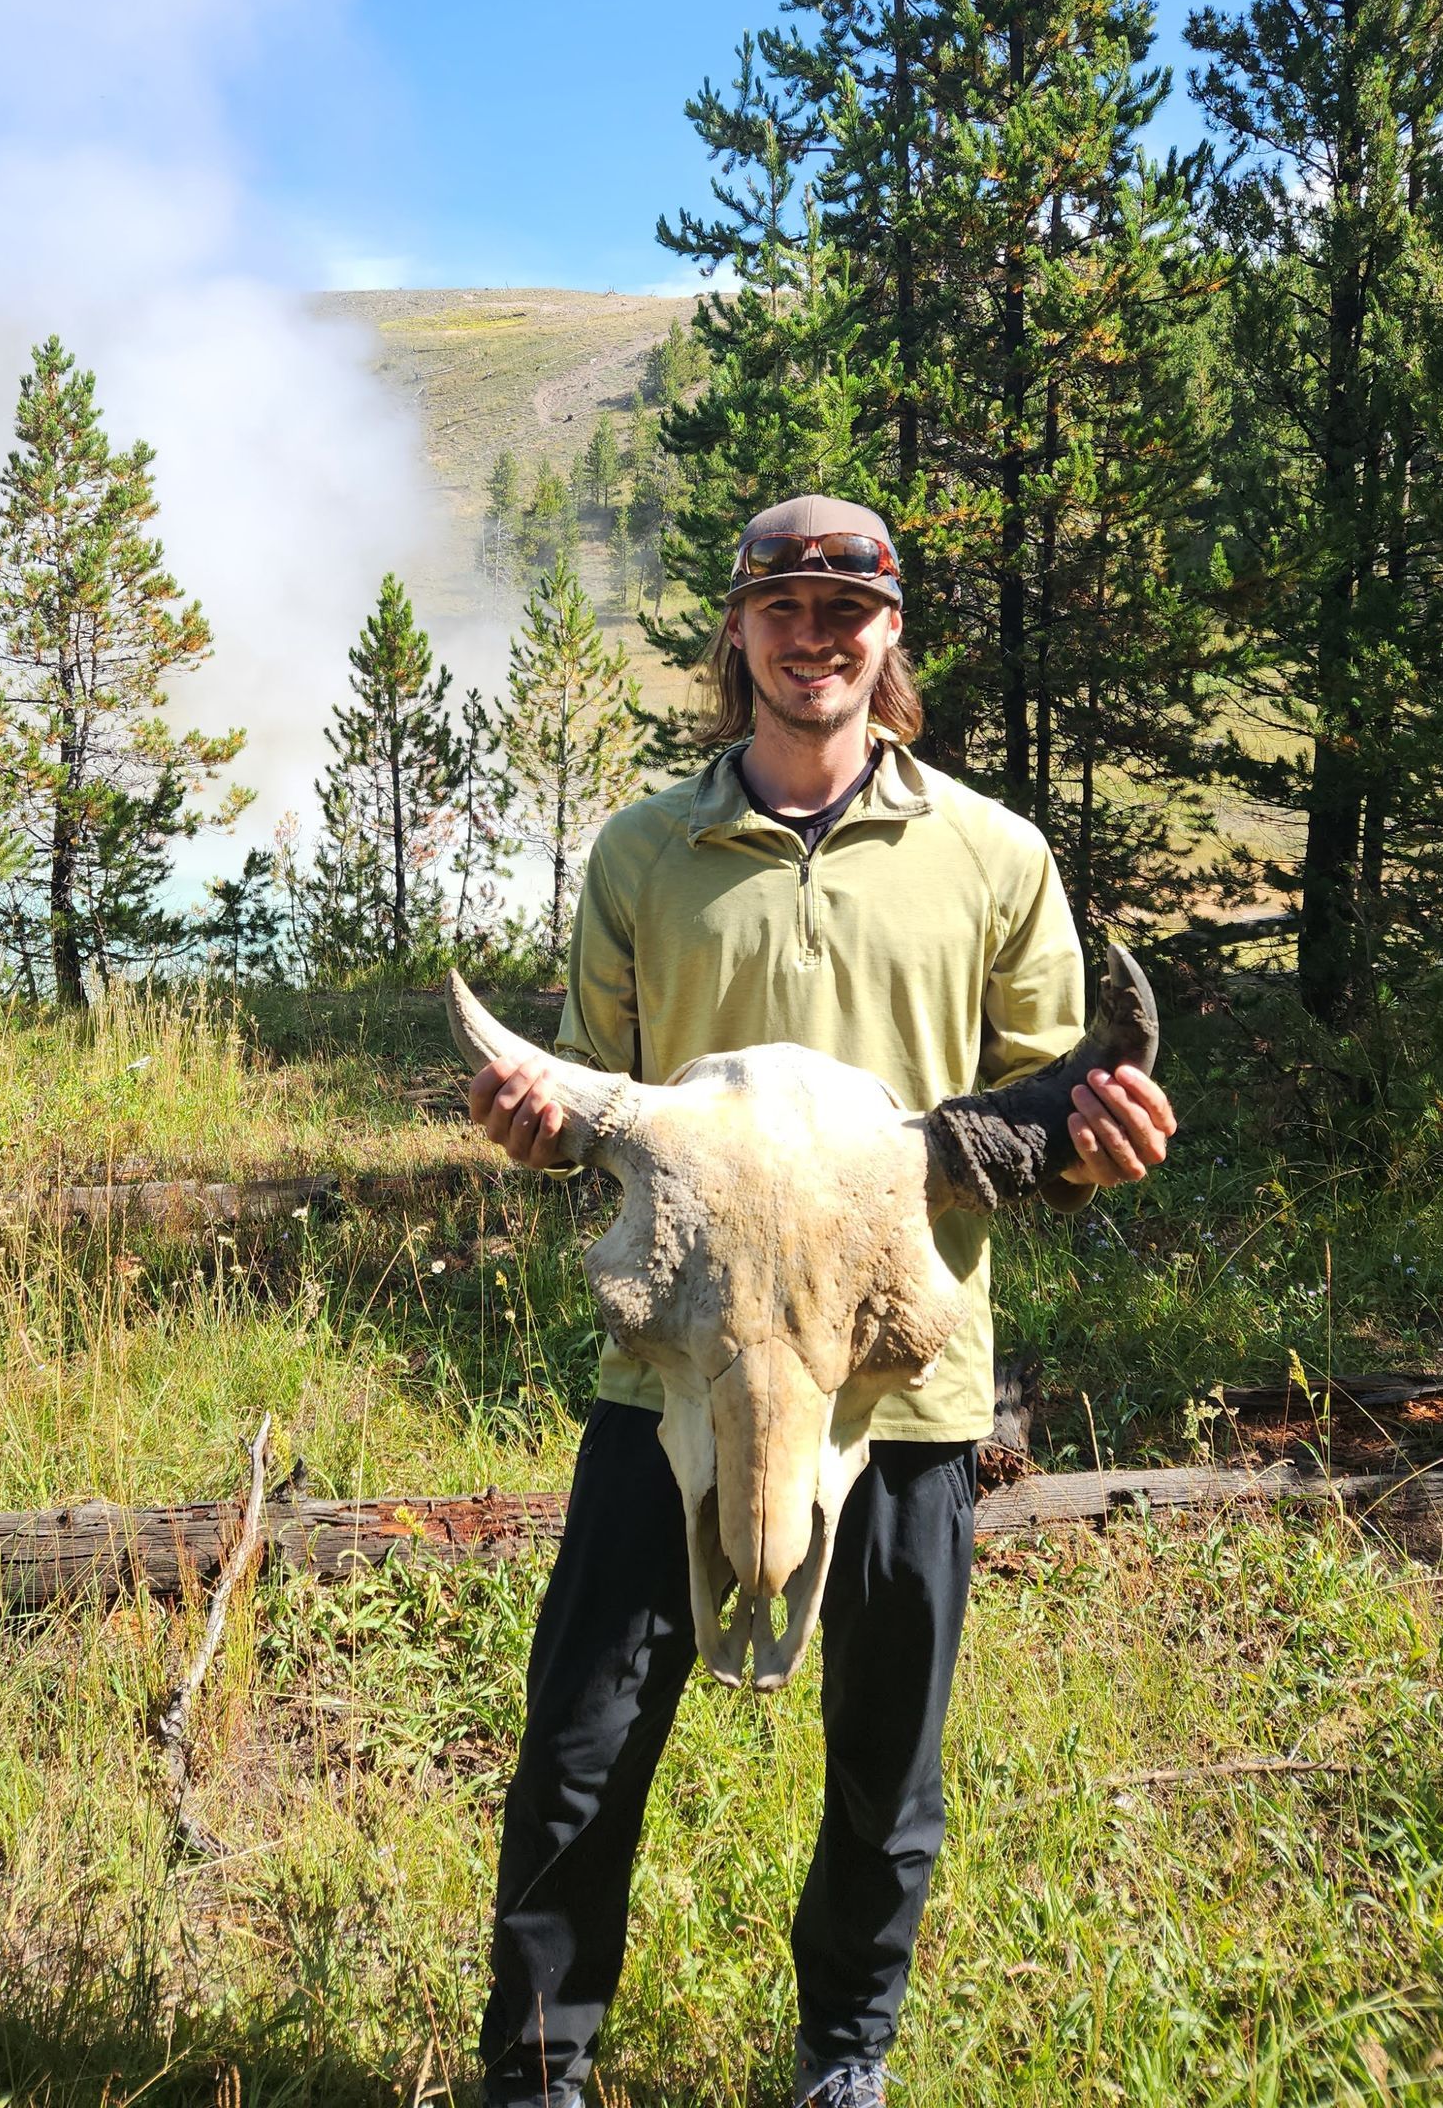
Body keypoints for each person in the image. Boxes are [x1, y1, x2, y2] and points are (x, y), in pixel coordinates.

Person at [467, 495, 1177, 2108]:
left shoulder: (996, 857)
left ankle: (843, 2061)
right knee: (582, 1745)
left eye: (846, 609)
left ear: (890, 634)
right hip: (668, 1379)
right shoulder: (643, 851)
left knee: (887, 1764)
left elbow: (1046, 1110)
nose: (814, 635)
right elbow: (604, 1118)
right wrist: (537, 1135)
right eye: (783, 605)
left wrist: (1094, 1150)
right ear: (738, 629)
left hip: (903, 1389)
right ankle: (539, 2069)